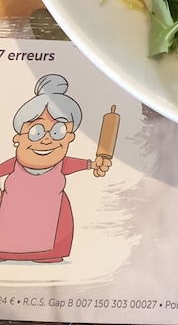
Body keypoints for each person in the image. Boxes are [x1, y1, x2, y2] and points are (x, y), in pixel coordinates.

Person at [0, 74, 111, 262]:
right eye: (36, 131)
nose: (46, 139)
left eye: (58, 132)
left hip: (50, 212)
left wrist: (95, 164)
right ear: (18, 137)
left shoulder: (61, 164)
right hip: (14, 211)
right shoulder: (15, 164)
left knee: (56, 224)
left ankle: (47, 253)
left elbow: (82, 164)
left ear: (70, 137)